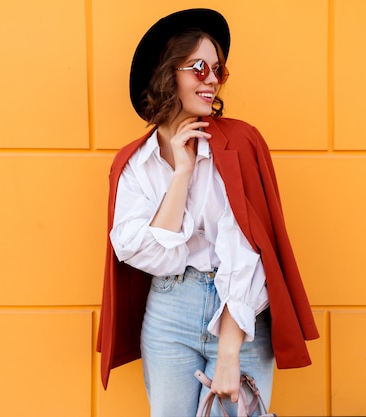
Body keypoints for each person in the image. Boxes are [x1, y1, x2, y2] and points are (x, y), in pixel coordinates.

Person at [97, 8, 319, 417]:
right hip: (168, 312)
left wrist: (230, 352)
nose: (212, 80)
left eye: (219, 70)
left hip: (239, 313)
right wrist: (181, 172)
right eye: (199, 67)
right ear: (168, 74)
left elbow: (248, 252)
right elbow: (147, 254)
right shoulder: (134, 163)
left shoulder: (241, 143)